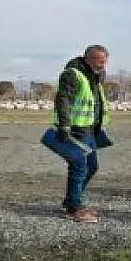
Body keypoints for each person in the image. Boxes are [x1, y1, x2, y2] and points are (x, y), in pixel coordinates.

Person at [42, 45, 112, 223]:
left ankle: (72, 200)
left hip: (90, 129)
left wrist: (100, 125)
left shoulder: (96, 75)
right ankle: (74, 207)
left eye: (105, 61)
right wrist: (65, 125)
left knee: (92, 166)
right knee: (79, 167)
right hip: (74, 129)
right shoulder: (72, 74)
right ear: (88, 58)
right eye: (99, 61)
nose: (103, 65)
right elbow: (63, 99)